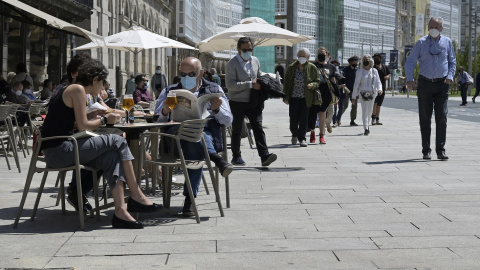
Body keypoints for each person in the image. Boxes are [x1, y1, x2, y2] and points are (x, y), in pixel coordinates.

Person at [40, 59, 161, 229]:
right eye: (103, 82)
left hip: (61, 148)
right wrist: (105, 119)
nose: (102, 87)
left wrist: (96, 115)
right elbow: (82, 126)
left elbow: (74, 122)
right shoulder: (77, 89)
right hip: (59, 150)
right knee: (118, 140)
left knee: (111, 156)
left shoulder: (75, 89)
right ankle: (136, 194)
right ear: (95, 79)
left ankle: (121, 212)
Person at [154, 57, 233, 217]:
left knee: (196, 136)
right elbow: (156, 120)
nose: (186, 77)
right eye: (183, 74)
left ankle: (190, 198)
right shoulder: (169, 91)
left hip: (203, 135)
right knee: (194, 137)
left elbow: (228, 120)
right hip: (174, 138)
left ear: (201, 73)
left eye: (191, 74)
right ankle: (216, 159)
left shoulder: (214, 89)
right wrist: (165, 111)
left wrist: (217, 110)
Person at [405, 17, 456, 160]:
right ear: (428, 27)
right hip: (425, 83)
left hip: (442, 84)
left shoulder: (447, 42)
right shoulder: (421, 43)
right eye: (432, 26)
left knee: (442, 118)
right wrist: (409, 78)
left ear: (442, 29)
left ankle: (441, 150)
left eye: (437, 26)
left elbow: (452, 61)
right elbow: (410, 61)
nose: (434, 28)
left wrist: (450, 76)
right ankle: (426, 150)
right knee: (425, 118)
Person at [225, 36, 277, 166]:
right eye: (245, 49)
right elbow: (230, 85)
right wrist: (249, 84)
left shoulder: (255, 60)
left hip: (254, 100)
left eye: (250, 49)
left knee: (258, 127)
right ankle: (236, 156)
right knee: (237, 129)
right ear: (238, 50)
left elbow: (258, 77)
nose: (248, 52)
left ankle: (264, 155)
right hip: (237, 101)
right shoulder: (231, 64)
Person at [282, 48, 320, 147]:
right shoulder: (292, 67)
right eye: (300, 56)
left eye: (304, 56)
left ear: (308, 57)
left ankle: (302, 138)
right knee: (293, 118)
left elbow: (317, 81)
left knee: (304, 118)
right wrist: (285, 96)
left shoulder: (312, 67)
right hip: (293, 97)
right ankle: (294, 134)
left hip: (306, 97)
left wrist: (313, 85)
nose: (302, 58)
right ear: (297, 57)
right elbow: (286, 83)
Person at [308, 47, 337, 144]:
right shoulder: (312, 65)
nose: (321, 55)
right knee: (312, 114)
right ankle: (312, 132)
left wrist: (335, 95)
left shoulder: (331, 67)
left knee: (322, 114)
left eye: (323, 53)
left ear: (326, 54)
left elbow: (333, 81)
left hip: (326, 93)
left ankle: (321, 135)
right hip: (314, 91)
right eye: (319, 53)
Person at [352, 54, 382, 135]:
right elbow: (356, 84)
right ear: (362, 61)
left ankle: (367, 124)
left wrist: (379, 89)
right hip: (363, 94)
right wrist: (354, 97)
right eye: (364, 59)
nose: (366, 60)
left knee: (370, 111)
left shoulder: (374, 71)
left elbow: (378, 81)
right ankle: (366, 128)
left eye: (367, 59)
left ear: (370, 61)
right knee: (364, 111)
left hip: (372, 93)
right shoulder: (359, 71)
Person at [371, 53, 391, 125]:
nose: (376, 59)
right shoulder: (372, 68)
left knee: (379, 104)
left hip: (382, 88)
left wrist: (387, 77)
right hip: (374, 88)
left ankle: (377, 119)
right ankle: (373, 118)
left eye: (377, 58)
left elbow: (389, 73)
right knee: (374, 103)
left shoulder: (385, 67)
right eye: (375, 58)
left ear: (381, 59)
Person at [343, 56, 359, 126]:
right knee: (344, 106)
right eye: (354, 62)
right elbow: (342, 80)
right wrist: (345, 88)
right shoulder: (345, 70)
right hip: (346, 90)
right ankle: (337, 119)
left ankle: (352, 121)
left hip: (354, 91)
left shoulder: (357, 70)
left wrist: (358, 91)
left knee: (354, 106)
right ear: (351, 62)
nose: (356, 63)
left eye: (357, 62)